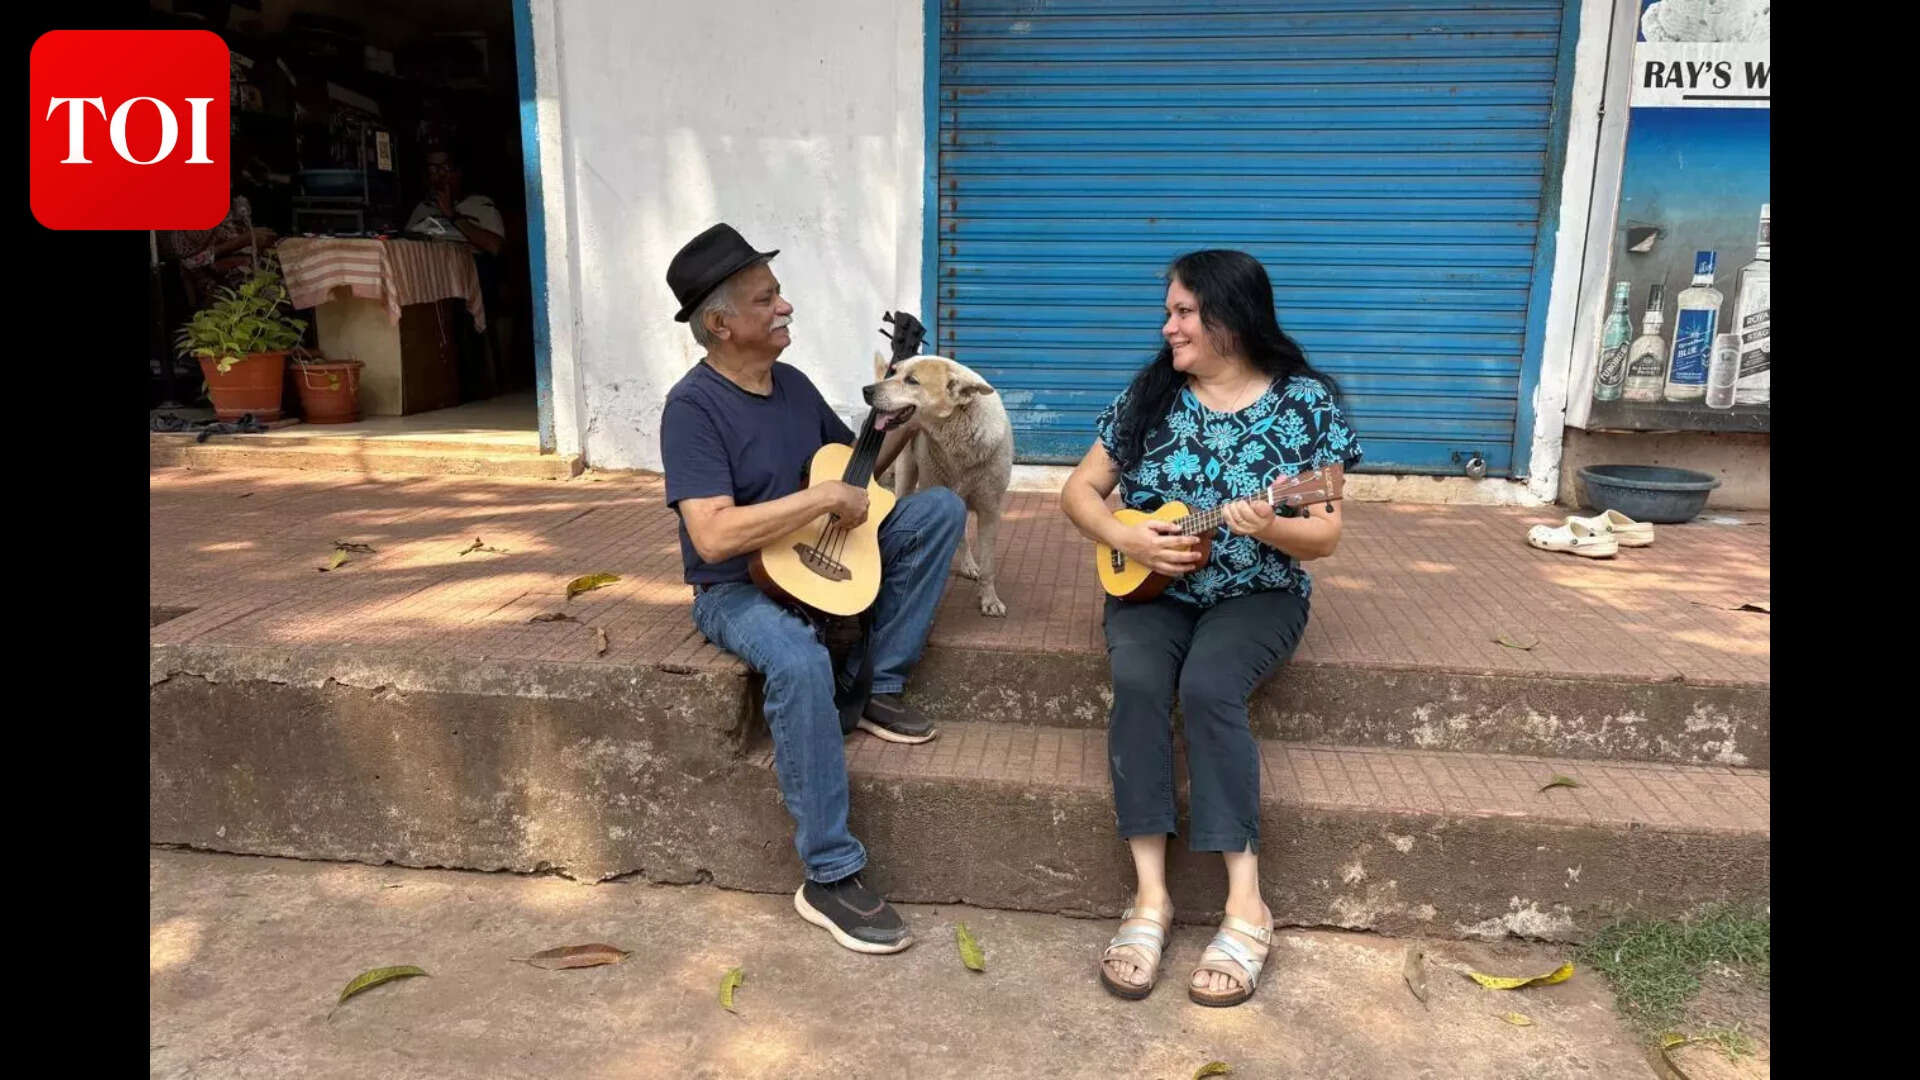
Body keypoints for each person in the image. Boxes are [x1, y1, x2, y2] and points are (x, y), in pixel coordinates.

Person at [1058, 249, 1363, 1007]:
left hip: (1257, 593)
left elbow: (1324, 534)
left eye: (1184, 312)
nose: (1168, 327)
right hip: (1149, 589)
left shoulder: (1305, 404)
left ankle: (1246, 906)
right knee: (1137, 681)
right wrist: (1125, 537)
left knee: (1209, 684)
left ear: (1231, 316)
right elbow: (1079, 491)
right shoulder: (1151, 393)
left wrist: (1269, 526)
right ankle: (1150, 899)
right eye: (1169, 312)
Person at [659, 223, 967, 954]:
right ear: (720, 324)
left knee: (937, 511)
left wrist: (907, 407)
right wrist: (821, 500)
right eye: (766, 299)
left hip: (817, 553)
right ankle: (829, 873)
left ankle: (878, 685)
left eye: (779, 294)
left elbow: (855, 473)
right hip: (739, 586)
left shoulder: (792, 385)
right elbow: (714, 536)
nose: (785, 306)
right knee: (797, 662)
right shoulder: (693, 408)